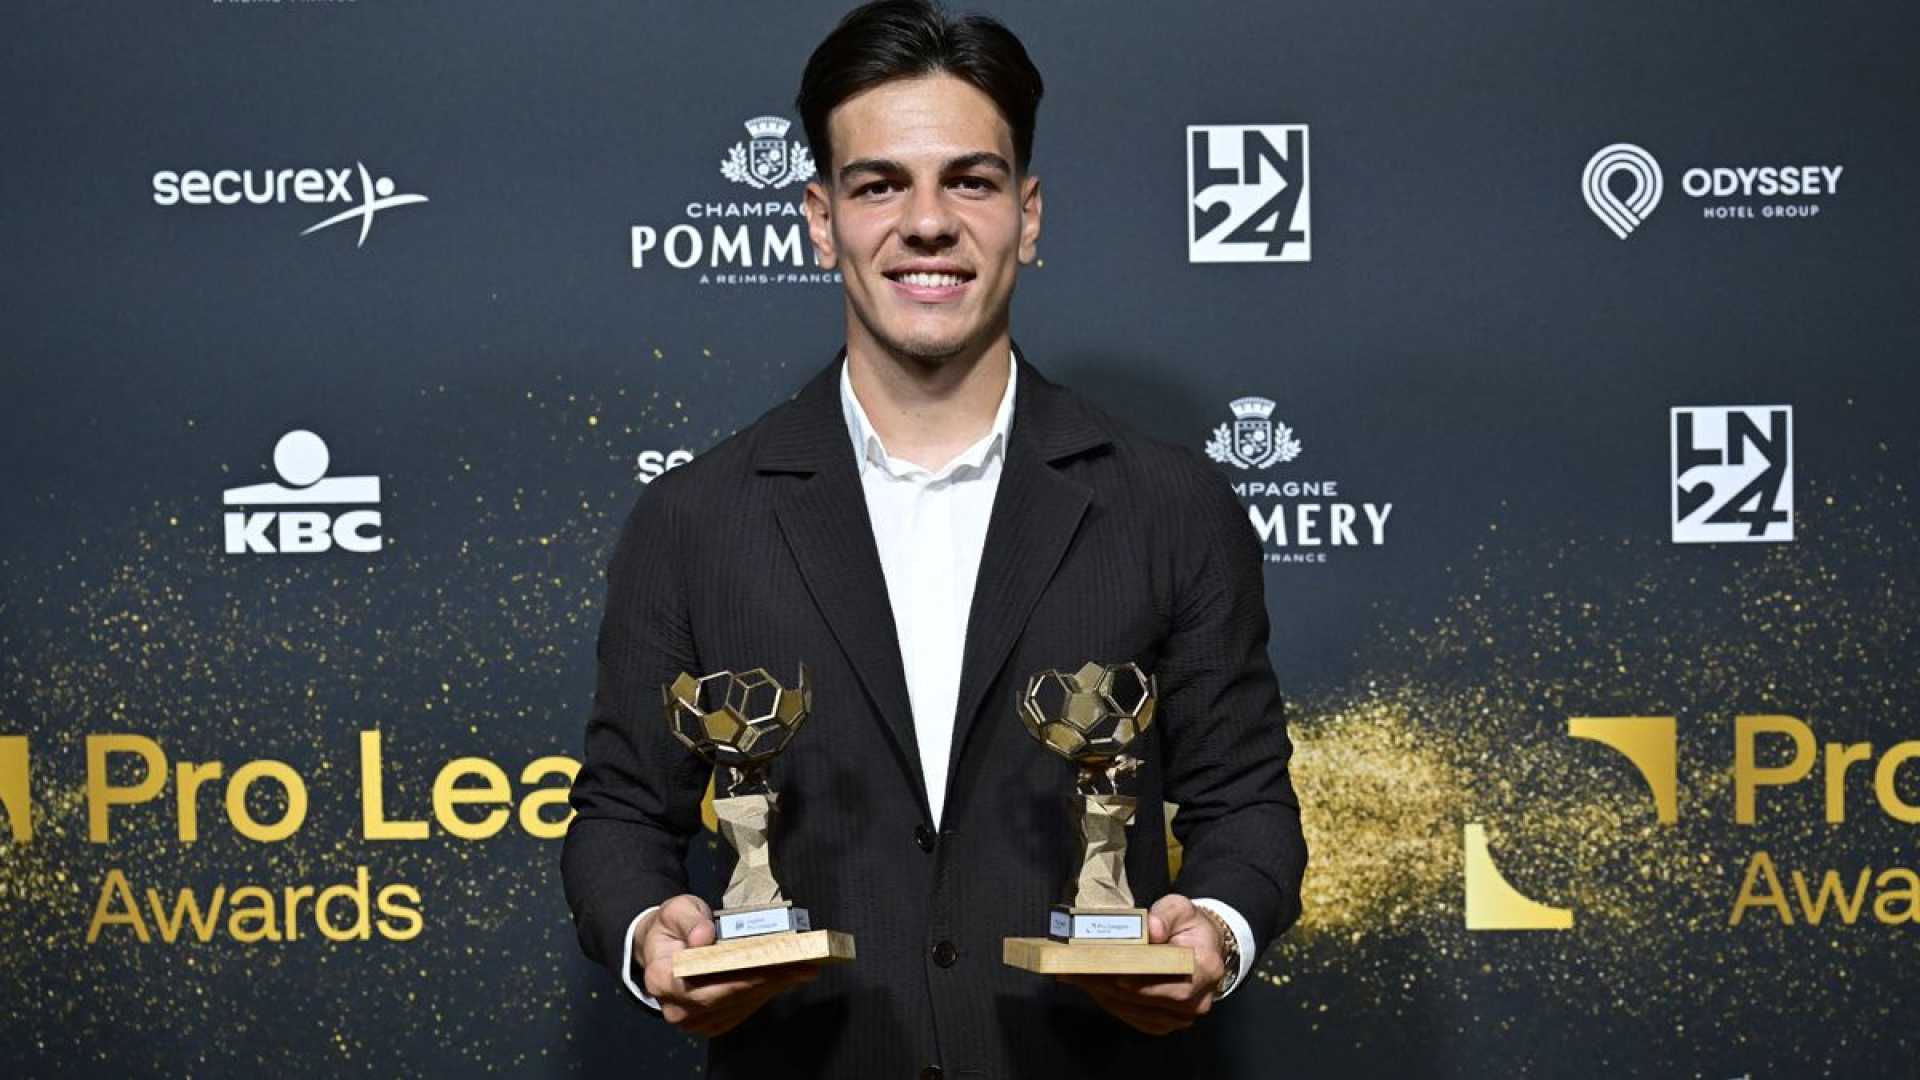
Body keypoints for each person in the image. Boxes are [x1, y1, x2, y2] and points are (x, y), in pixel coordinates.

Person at [560, 2, 1306, 1075]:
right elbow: (620, 816)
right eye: (879, 186)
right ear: (820, 221)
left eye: (970, 181)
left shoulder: (1171, 505)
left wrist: (1219, 933)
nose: (927, 223)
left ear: (1027, 216)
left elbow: (1247, 805)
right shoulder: (694, 518)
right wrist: (650, 935)